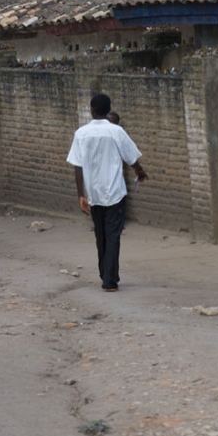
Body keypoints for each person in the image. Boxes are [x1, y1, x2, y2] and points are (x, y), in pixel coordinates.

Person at [67, 93, 148, 292]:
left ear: (92, 110)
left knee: (100, 235)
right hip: (114, 192)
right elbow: (131, 157)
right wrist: (140, 170)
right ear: (107, 109)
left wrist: (81, 195)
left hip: (93, 193)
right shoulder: (116, 131)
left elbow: (77, 166)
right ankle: (109, 280)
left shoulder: (81, 133)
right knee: (113, 235)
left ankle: (105, 274)